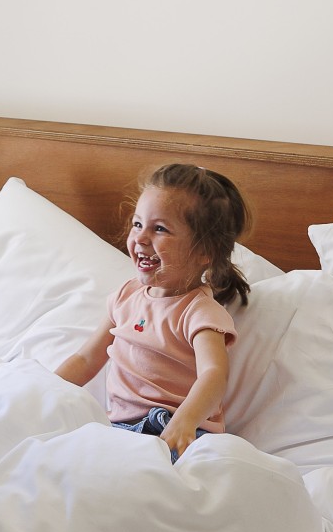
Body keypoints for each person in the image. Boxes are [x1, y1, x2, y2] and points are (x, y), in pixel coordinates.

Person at [55, 164, 251, 461]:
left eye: (159, 229)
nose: (141, 238)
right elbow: (86, 359)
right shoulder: (126, 296)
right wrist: (46, 389)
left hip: (175, 429)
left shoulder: (199, 313)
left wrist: (184, 422)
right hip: (119, 428)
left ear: (204, 251)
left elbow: (214, 375)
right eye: (137, 224)